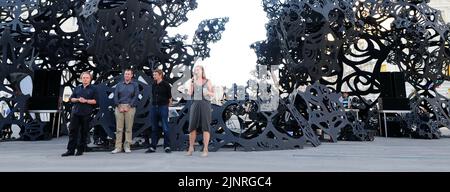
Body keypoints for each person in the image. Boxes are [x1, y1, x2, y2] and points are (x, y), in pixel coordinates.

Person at [62, 71, 97, 157]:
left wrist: (86, 101)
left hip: (86, 113)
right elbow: (71, 99)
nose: (85, 79)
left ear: (90, 79)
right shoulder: (77, 88)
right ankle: (70, 150)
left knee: (83, 132)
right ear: (81, 79)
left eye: (87, 78)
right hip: (76, 112)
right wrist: (78, 100)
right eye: (84, 78)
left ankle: (80, 150)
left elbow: (95, 101)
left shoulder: (93, 89)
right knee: (72, 131)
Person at [186, 65, 214, 157]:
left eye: (197, 69)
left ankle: (205, 149)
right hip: (195, 104)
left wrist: (208, 92)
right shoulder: (193, 81)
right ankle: (191, 147)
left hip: (205, 104)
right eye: (195, 70)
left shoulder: (207, 81)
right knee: (192, 127)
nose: (196, 71)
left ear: (202, 71)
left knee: (205, 127)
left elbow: (213, 93)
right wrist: (191, 83)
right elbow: (190, 93)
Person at [111, 68, 139, 154]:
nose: (126, 75)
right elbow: (115, 96)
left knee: (128, 128)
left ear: (131, 75)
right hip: (119, 107)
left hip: (130, 107)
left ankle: (127, 146)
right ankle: (118, 147)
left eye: (128, 74)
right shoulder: (119, 85)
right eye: (125, 74)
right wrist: (118, 106)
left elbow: (136, 96)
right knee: (119, 129)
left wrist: (129, 106)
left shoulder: (135, 85)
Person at [146, 69, 172, 153]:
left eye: (155, 74)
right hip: (154, 107)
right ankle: (153, 147)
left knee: (165, 127)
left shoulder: (166, 85)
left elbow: (170, 97)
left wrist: (166, 106)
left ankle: (167, 146)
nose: (154, 76)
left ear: (160, 75)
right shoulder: (153, 85)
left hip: (163, 107)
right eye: (153, 75)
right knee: (154, 128)